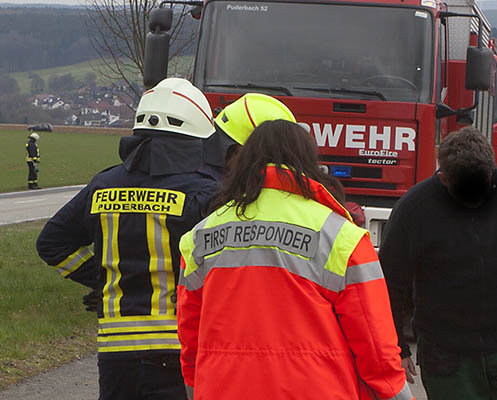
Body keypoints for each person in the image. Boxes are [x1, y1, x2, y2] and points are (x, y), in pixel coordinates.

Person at [177, 119, 414, 400]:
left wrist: (196, 389)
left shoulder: (200, 237)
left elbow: (190, 338)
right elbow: (376, 349)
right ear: (307, 162)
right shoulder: (342, 238)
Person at [36, 78, 220, 400]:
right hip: (180, 347)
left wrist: (100, 279)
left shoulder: (103, 185)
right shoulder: (204, 192)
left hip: (116, 353)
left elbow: (51, 243)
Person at [379, 126, 497, 400]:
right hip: (448, 357)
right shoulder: (414, 209)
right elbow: (390, 282)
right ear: (443, 178)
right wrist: (398, 347)